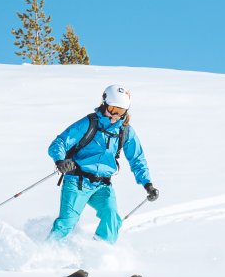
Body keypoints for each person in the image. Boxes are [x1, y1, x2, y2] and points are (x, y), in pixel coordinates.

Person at [47, 85, 157, 243]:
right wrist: (60, 160)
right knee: (67, 222)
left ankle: (100, 251)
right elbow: (59, 143)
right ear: (104, 104)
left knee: (111, 217)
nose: (115, 115)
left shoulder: (125, 131)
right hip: (78, 182)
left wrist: (148, 184)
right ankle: (46, 251)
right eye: (113, 109)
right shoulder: (89, 123)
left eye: (120, 111)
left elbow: (137, 159)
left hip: (103, 185)